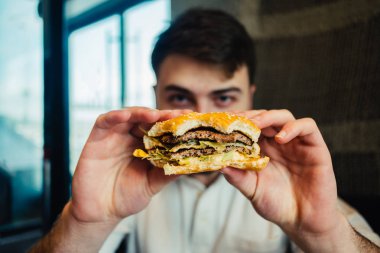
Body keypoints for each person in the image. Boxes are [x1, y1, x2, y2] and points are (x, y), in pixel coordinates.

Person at [30, 8, 380, 253]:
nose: (200, 118)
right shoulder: (127, 179)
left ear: (251, 97)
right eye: (180, 96)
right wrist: (83, 223)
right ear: (155, 97)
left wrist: (325, 235)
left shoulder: (291, 182)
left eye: (224, 97)